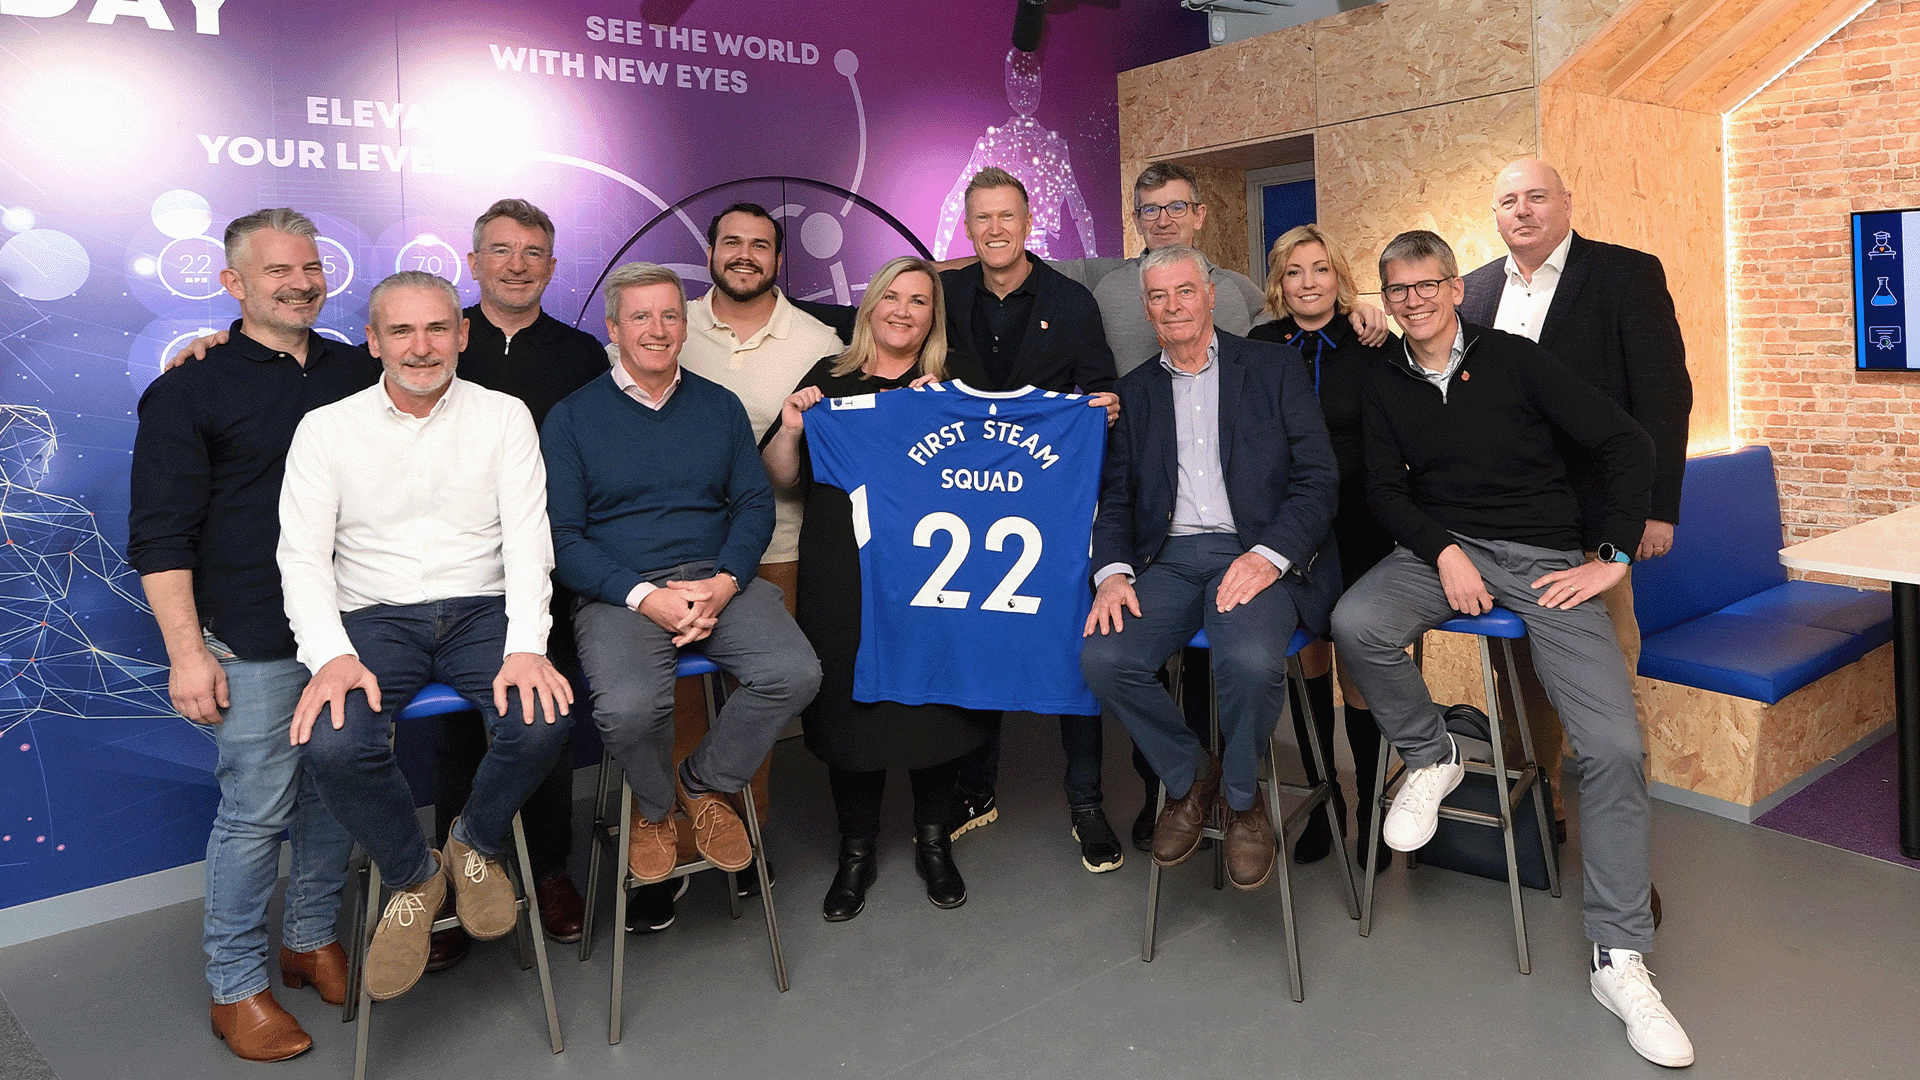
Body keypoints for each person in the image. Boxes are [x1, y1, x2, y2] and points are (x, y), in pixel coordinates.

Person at [1330, 230, 1691, 1068]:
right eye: (1398, 289)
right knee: (1356, 623)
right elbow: (1383, 488)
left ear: (1456, 288)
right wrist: (1444, 552)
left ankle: (1618, 957)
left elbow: (1627, 442)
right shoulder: (1386, 380)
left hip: (1544, 559)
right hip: (1441, 551)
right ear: (1388, 298)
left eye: (1427, 284)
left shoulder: (1516, 360)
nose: (1414, 300)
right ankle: (1434, 754)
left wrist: (1611, 557)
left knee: (1612, 746)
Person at [278, 271, 575, 1005]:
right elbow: (302, 557)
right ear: (373, 340)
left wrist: (527, 644)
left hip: (482, 610)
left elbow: (528, 541)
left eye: (438, 328)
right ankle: (416, 876)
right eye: (402, 331)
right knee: (333, 744)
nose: (422, 346)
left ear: (462, 334)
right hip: (374, 617)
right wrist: (331, 656)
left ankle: (473, 842)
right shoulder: (326, 429)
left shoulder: (503, 416)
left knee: (544, 718)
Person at [128, 208, 375, 1062]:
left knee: (335, 794)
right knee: (257, 812)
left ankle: (310, 940)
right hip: (252, 633)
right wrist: (187, 654)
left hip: (349, 631)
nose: (301, 284)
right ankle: (235, 988)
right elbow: (161, 535)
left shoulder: (359, 371)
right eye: (278, 271)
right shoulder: (188, 388)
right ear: (233, 284)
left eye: (311, 268)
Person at [543, 262, 819, 899]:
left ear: (686, 327)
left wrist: (725, 582)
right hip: (622, 593)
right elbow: (562, 539)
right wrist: (647, 598)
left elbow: (754, 505)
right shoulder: (571, 418)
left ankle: (701, 782)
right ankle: (655, 806)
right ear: (613, 328)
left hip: (715, 578)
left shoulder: (718, 407)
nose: (658, 329)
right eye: (640, 316)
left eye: (670, 315)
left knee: (795, 672)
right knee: (628, 708)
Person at [1080, 244, 1340, 892]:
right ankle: (1193, 776)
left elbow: (1317, 478)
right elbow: (1116, 500)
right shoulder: (1135, 392)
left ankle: (1244, 801)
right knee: (1104, 659)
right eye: (1159, 297)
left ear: (1210, 296)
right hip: (1166, 560)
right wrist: (1111, 574)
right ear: (1147, 310)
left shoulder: (1272, 368)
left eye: (1184, 291)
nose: (1173, 306)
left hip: (1254, 552)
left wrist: (1268, 556)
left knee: (1248, 662)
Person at [1458, 159, 1692, 846]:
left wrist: (1657, 509)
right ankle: (1543, 811)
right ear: (1495, 216)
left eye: (1537, 197)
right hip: (1505, 527)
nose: (1523, 211)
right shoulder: (1473, 290)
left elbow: (1664, 395)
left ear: (1566, 203)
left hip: (1598, 523)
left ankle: (1622, 845)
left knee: (1606, 685)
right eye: (1509, 201)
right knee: (1518, 679)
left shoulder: (1625, 274)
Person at [761, 256, 996, 918]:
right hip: (846, 571)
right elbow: (782, 476)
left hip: (932, 570)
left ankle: (933, 842)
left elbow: (1002, 465)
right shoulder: (830, 378)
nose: (903, 310)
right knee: (850, 706)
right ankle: (855, 851)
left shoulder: (958, 378)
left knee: (935, 703)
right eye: (892, 296)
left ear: (933, 315)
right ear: (870, 306)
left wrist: (1085, 417)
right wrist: (793, 426)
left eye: (919, 300)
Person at [428, 198, 611, 965]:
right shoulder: (438, 341)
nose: (516, 265)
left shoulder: (582, 355)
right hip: (450, 578)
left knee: (545, 722)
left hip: (549, 573)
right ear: (473, 263)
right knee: (457, 736)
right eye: (500, 251)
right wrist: (219, 340)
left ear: (552, 267)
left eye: (533, 253)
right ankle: (452, 884)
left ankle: (551, 870)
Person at [936, 167, 1127, 874]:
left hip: (1051, 508)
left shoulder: (1071, 301)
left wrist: (1104, 405)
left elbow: (1100, 388)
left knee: (1073, 647)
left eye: (1006, 216)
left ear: (1027, 222)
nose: (995, 229)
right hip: (963, 501)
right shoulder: (943, 295)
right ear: (968, 226)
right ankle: (974, 788)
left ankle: (1086, 800)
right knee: (973, 644)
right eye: (982, 217)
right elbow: (877, 335)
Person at [1248, 224, 1399, 869]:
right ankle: (1323, 801)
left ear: (1339, 277)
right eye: (1293, 272)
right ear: (1278, 283)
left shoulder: (1371, 342)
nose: (1308, 283)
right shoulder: (1258, 347)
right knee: (1307, 658)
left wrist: (1372, 313)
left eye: (1320, 269)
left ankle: (1370, 808)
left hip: (1361, 526)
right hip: (1291, 529)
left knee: (1357, 664)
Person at [1044, 162, 1389, 376]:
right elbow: (1024, 269)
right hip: (1134, 446)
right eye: (1150, 210)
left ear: (1199, 215)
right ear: (1136, 220)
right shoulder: (1101, 279)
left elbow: (1301, 308)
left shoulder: (1236, 289)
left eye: (1177, 207)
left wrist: (1352, 309)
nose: (1163, 221)